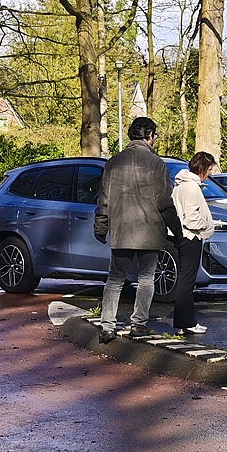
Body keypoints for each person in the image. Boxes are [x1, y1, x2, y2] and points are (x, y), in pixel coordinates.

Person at [94, 117, 173, 338]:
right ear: (149, 136)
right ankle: (138, 324)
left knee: (115, 279)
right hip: (149, 231)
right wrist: (176, 228)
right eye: (154, 136)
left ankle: (107, 326)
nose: (155, 140)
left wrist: (101, 226)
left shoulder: (114, 162)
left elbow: (104, 199)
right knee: (146, 279)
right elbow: (165, 201)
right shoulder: (157, 164)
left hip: (122, 230)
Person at [171, 152, 218, 336]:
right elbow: (190, 218)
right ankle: (187, 322)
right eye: (209, 168)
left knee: (185, 279)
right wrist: (205, 225)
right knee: (187, 280)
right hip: (190, 236)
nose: (211, 172)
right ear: (203, 168)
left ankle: (184, 322)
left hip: (183, 236)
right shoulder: (191, 187)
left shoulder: (181, 185)